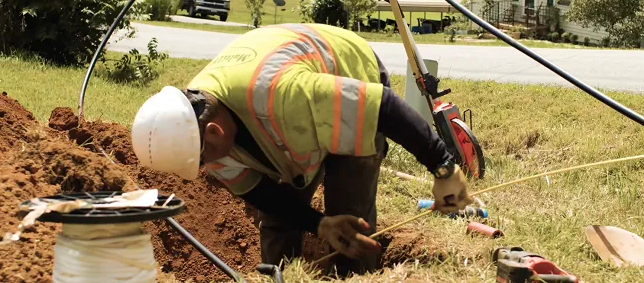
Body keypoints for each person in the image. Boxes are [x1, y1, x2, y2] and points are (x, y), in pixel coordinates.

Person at [131, 23, 474, 277]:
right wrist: (318, 223)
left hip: (346, 68)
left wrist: (444, 167)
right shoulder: (197, 126)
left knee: (350, 213)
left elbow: (384, 106)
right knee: (280, 221)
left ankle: (358, 276)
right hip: (285, 103)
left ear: (215, 132)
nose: (209, 167)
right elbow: (262, 194)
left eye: (205, 159)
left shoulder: (285, 94)